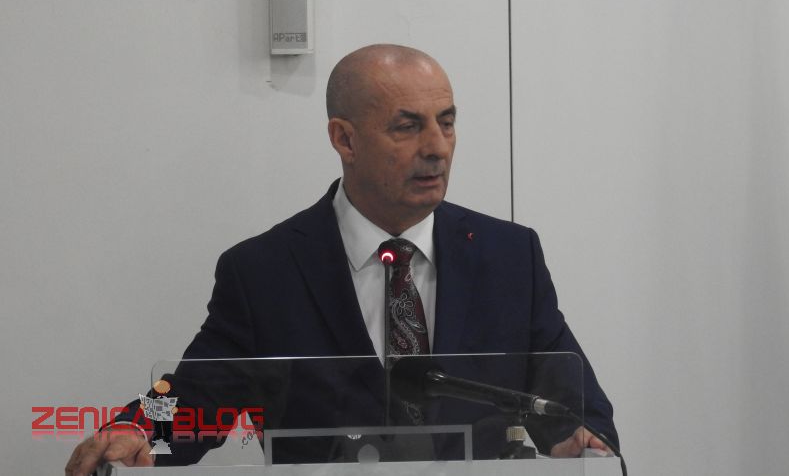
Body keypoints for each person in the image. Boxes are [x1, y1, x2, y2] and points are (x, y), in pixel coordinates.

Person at [65, 44, 617, 475]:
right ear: (344, 139)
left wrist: (585, 444)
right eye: (408, 126)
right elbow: (195, 401)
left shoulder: (508, 257)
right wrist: (137, 428)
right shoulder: (265, 272)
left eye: (446, 122)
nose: (437, 146)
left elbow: (573, 404)